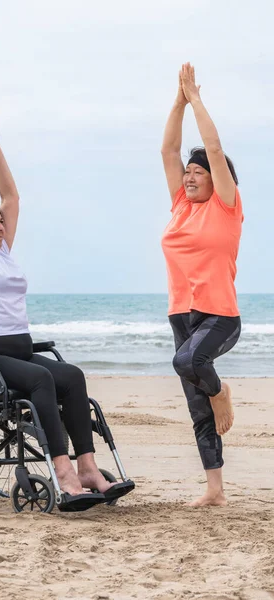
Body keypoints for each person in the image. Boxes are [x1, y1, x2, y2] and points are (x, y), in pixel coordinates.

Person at [0, 105, 132, 511]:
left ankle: (87, 467)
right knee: (43, 380)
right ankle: (62, 473)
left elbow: (11, 196)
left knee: (72, 376)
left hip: (18, 350)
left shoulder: (3, 252)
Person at [161, 64, 243, 507]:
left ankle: (221, 391)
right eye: (188, 172)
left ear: (216, 178)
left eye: (199, 171)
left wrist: (195, 100)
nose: (190, 176)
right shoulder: (180, 206)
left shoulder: (226, 206)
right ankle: (215, 489)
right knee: (196, 407)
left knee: (189, 361)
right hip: (181, 312)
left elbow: (212, 146)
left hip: (220, 315)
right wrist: (176, 103)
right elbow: (167, 151)